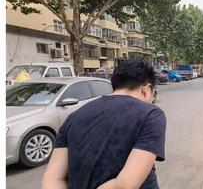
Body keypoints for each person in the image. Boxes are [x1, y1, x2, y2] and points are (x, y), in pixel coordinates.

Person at [41, 59, 166, 189]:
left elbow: (53, 180)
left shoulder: (74, 117)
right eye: (153, 94)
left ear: (114, 86)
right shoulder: (150, 114)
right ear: (146, 89)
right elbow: (124, 185)